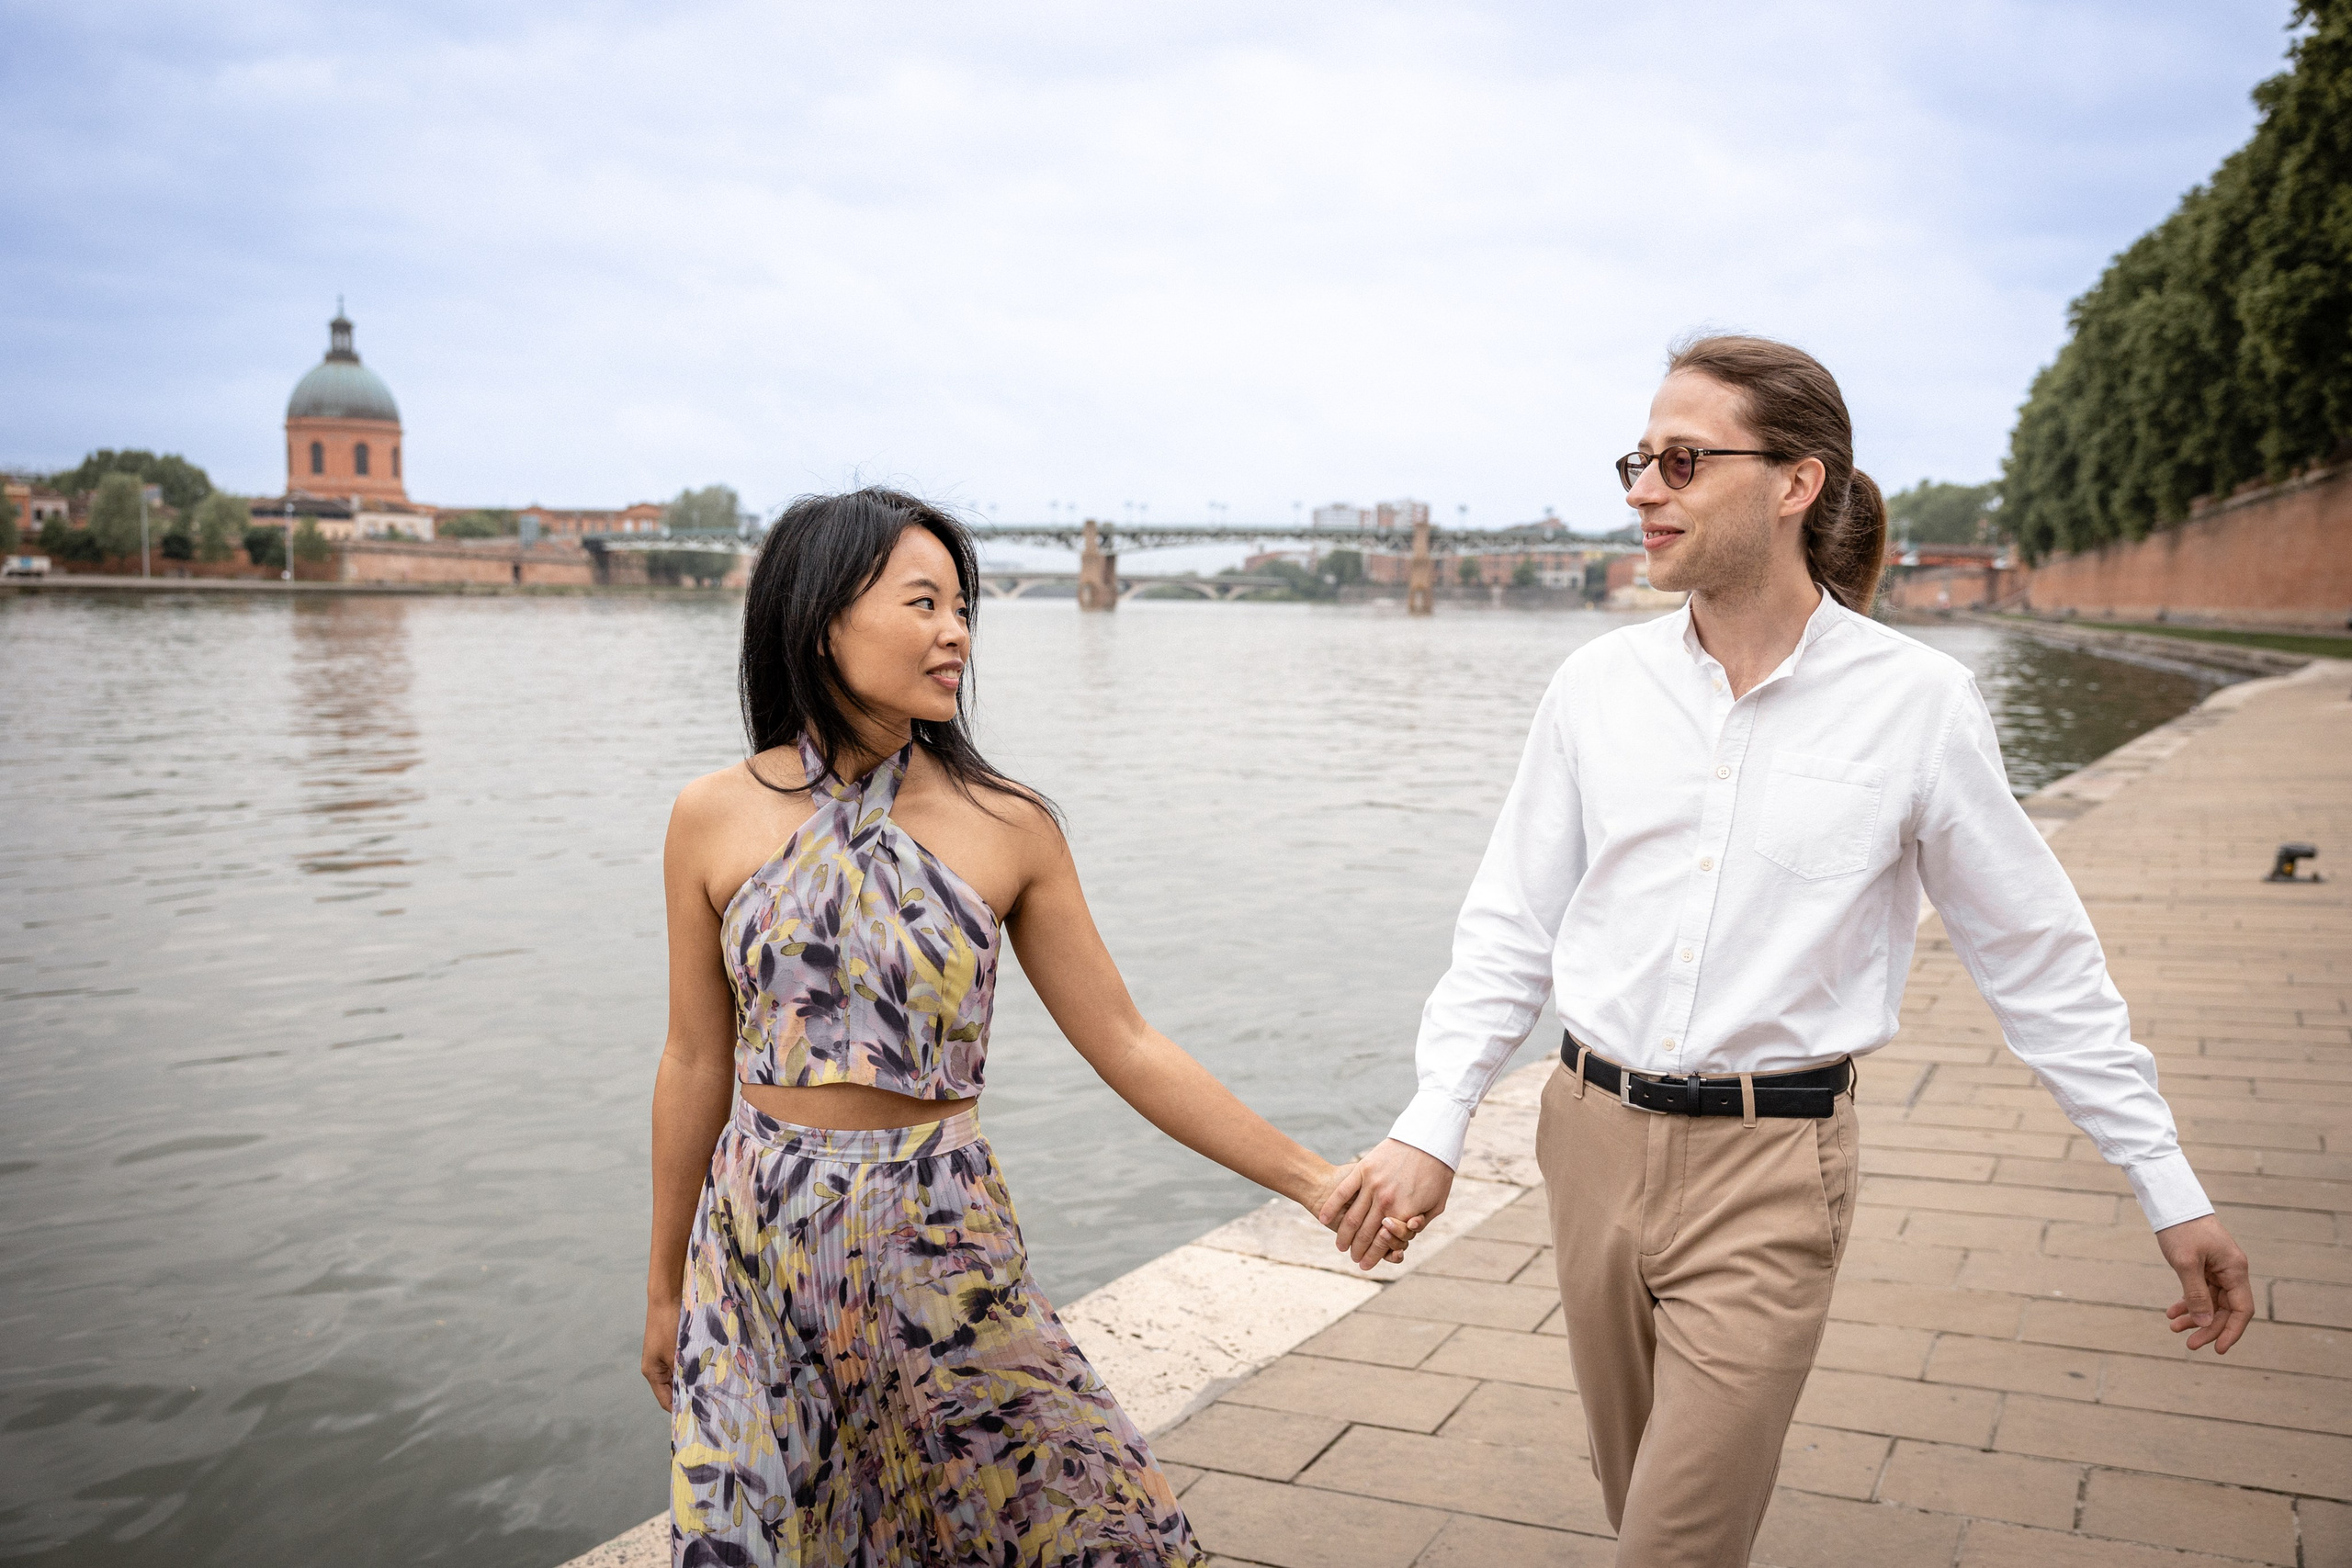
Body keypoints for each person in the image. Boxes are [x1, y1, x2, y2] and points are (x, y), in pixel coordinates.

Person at [1322, 335, 2254, 1565]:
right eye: (1637, 461)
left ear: (1796, 483)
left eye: (1682, 460)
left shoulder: (1916, 705)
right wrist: (1435, 1120)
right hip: (1586, 1142)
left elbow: (2041, 961)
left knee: (1673, 1541)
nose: (1644, 488)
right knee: (1640, 1496)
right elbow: (1512, 925)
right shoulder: (1594, 689)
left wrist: (2166, 1179)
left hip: (1774, 1165)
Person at [640, 488, 1410, 1567]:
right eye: (925, 603)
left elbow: (1127, 1042)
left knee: (1078, 1525)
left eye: (963, 608)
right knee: (778, 1538)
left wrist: (1316, 1182)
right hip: (760, 1245)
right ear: (821, 620)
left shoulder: (1008, 823)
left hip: (939, 1237)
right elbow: (692, 1058)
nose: (957, 631)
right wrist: (666, 1281)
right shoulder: (710, 815)